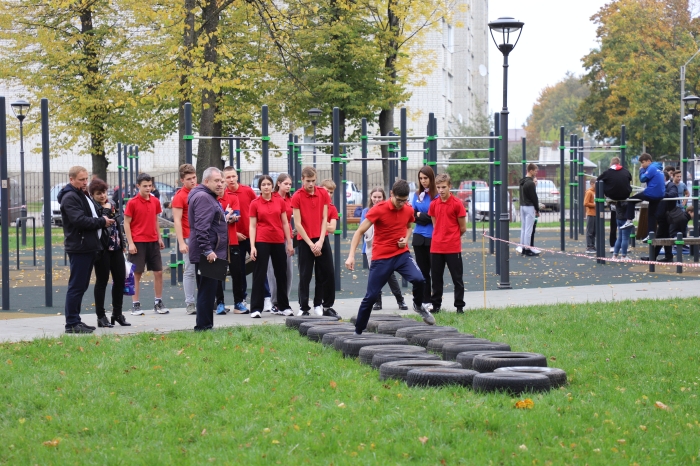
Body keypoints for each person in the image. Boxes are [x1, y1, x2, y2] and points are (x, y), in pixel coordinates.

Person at [346, 179, 434, 334]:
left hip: (401, 255)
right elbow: (359, 231)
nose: (401, 204)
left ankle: (418, 306)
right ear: (392, 194)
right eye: (399, 200)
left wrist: (406, 239)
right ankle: (358, 331)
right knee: (371, 296)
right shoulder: (379, 209)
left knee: (420, 280)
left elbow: (408, 227)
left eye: (404, 200)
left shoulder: (407, 209)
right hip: (381, 258)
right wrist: (351, 256)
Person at [59, 166, 115, 334]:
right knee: (77, 285)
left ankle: (76, 321)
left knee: (81, 285)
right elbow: (79, 220)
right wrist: (101, 222)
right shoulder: (70, 197)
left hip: (87, 246)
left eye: (86, 179)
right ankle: (72, 323)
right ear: (71, 179)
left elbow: (89, 214)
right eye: (81, 179)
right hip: (80, 247)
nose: (85, 182)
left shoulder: (80, 194)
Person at [188, 167, 228, 330]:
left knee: (208, 291)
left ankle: (205, 324)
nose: (220, 184)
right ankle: (203, 327)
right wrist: (207, 250)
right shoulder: (204, 197)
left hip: (211, 251)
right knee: (206, 291)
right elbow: (201, 227)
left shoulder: (208, 196)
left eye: (222, 181)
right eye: (216, 181)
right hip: (207, 253)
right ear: (206, 182)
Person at [292, 166, 336, 317]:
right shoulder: (297, 196)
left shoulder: (323, 193)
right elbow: (298, 224)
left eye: (313, 181)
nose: (311, 184)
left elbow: (325, 218)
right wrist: (311, 244)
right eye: (308, 181)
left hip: (321, 238)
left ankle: (323, 305)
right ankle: (304, 307)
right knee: (305, 275)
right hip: (305, 240)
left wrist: (321, 240)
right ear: (302, 180)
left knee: (327, 272)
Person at [249, 175, 294, 318]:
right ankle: (256, 308)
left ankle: (283, 306)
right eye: (263, 185)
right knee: (259, 274)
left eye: (268, 184)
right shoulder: (255, 203)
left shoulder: (279, 201)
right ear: (260, 187)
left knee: (281, 274)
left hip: (278, 240)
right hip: (262, 240)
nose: (266, 187)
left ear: (272, 186)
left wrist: (289, 242)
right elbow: (252, 226)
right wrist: (252, 246)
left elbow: (285, 223)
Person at [123, 173, 168, 315]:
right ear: (138, 186)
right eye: (145, 186)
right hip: (138, 241)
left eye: (150, 186)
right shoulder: (132, 202)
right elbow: (126, 223)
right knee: (136, 273)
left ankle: (158, 302)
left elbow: (155, 220)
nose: (148, 188)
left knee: (159, 272)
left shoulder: (155, 201)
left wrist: (159, 238)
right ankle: (135, 304)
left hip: (153, 241)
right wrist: (131, 243)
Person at [90, 179, 130, 328]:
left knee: (120, 280)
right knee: (102, 281)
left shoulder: (112, 204)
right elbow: (100, 222)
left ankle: (117, 313)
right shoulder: (93, 207)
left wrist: (123, 243)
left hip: (116, 246)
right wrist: (106, 210)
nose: (102, 196)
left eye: (104, 192)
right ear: (93, 195)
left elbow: (117, 224)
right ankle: (101, 316)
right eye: (98, 193)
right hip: (102, 248)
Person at [362, 187, 408, 311]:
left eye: (379, 197)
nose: (377, 199)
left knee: (390, 275)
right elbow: (364, 230)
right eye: (374, 197)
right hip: (372, 247)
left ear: (384, 197)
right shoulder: (366, 211)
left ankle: (400, 299)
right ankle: (377, 301)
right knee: (375, 275)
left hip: (385, 248)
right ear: (371, 197)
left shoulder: (387, 210)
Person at [428, 174, 467, 313]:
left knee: (457, 278)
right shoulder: (433, 204)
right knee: (436, 278)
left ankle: (459, 306)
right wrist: (440, 235)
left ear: (450, 186)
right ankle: (436, 305)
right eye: (438, 187)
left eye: (443, 187)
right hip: (436, 247)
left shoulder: (457, 204)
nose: (441, 190)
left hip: (452, 247)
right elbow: (435, 224)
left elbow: (463, 228)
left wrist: (453, 237)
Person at [222, 167, 256, 313]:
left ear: (237, 177)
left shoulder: (247, 191)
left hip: (251, 236)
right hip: (235, 239)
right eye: (227, 177)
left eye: (233, 176)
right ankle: (240, 299)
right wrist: (234, 234)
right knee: (239, 271)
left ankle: (265, 297)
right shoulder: (223, 195)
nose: (231, 179)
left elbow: (256, 209)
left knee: (259, 265)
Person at [215, 168, 245, 314]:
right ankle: (219, 303)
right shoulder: (210, 198)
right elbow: (213, 219)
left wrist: (227, 216)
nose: (221, 185)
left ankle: (238, 303)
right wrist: (226, 215)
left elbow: (236, 216)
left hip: (232, 241)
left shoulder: (232, 197)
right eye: (219, 181)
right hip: (217, 242)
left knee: (237, 273)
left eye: (222, 182)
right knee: (217, 274)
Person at [171, 164, 198, 315]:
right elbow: (177, 220)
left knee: (208, 270)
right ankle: (190, 303)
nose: (193, 181)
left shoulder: (201, 190)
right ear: (182, 180)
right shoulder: (180, 196)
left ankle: (208, 300)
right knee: (190, 270)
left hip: (203, 237)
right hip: (189, 237)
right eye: (189, 179)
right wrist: (181, 242)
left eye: (194, 177)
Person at [267, 174, 295, 315]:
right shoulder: (272, 197)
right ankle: (275, 302)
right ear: (278, 183)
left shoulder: (291, 199)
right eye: (285, 183)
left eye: (290, 184)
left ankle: (284, 300)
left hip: (287, 237)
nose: (288, 186)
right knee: (273, 271)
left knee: (288, 271)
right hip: (274, 237)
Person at [411, 166, 437, 311]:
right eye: (421, 178)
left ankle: (434, 300)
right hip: (418, 237)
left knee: (434, 270)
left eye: (425, 178)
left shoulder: (436, 196)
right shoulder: (417, 195)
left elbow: (434, 216)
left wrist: (422, 215)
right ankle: (424, 300)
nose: (423, 181)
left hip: (433, 237)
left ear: (431, 178)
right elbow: (412, 215)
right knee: (422, 271)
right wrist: (422, 216)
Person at [621, 153, 664, 234]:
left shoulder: (652, 168)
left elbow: (642, 179)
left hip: (651, 193)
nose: (642, 165)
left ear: (648, 161)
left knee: (631, 200)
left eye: (643, 162)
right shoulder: (658, 169)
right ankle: (651, 234)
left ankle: (629, 220)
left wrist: (641, 170)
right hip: (659, 195)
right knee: (651, 214)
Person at [598, 157, 632, 253]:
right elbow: (629, 179)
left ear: (611, 164)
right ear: (619, 163)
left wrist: (604, 193)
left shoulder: (607, 172)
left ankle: (613, 244)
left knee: (614, 223)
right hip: (624, 199)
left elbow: (598, 181)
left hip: (613, 199)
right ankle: (623, 245)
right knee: (624, 223)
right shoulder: (626, 171)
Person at [519, 163, 540, 256]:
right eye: (535, 171)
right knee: (528, 229)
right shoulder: (530, 183)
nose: (536, 173)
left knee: (523, 228)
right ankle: (527, 249)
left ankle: (523, 247)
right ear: (531, 171)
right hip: (529, 206)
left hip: (522, 206)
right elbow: (534, 197)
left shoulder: (522, 182)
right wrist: (537, 209)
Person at [584, 177, 597, 254]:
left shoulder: (596, 192)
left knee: (594, 231)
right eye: (596, 184)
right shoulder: (589, 192)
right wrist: (595, 205)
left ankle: (593, 245)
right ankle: (589, 246)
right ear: (592, 184)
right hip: (591, 213)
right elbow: (585, 203)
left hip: (595, 214)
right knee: (590, 231)